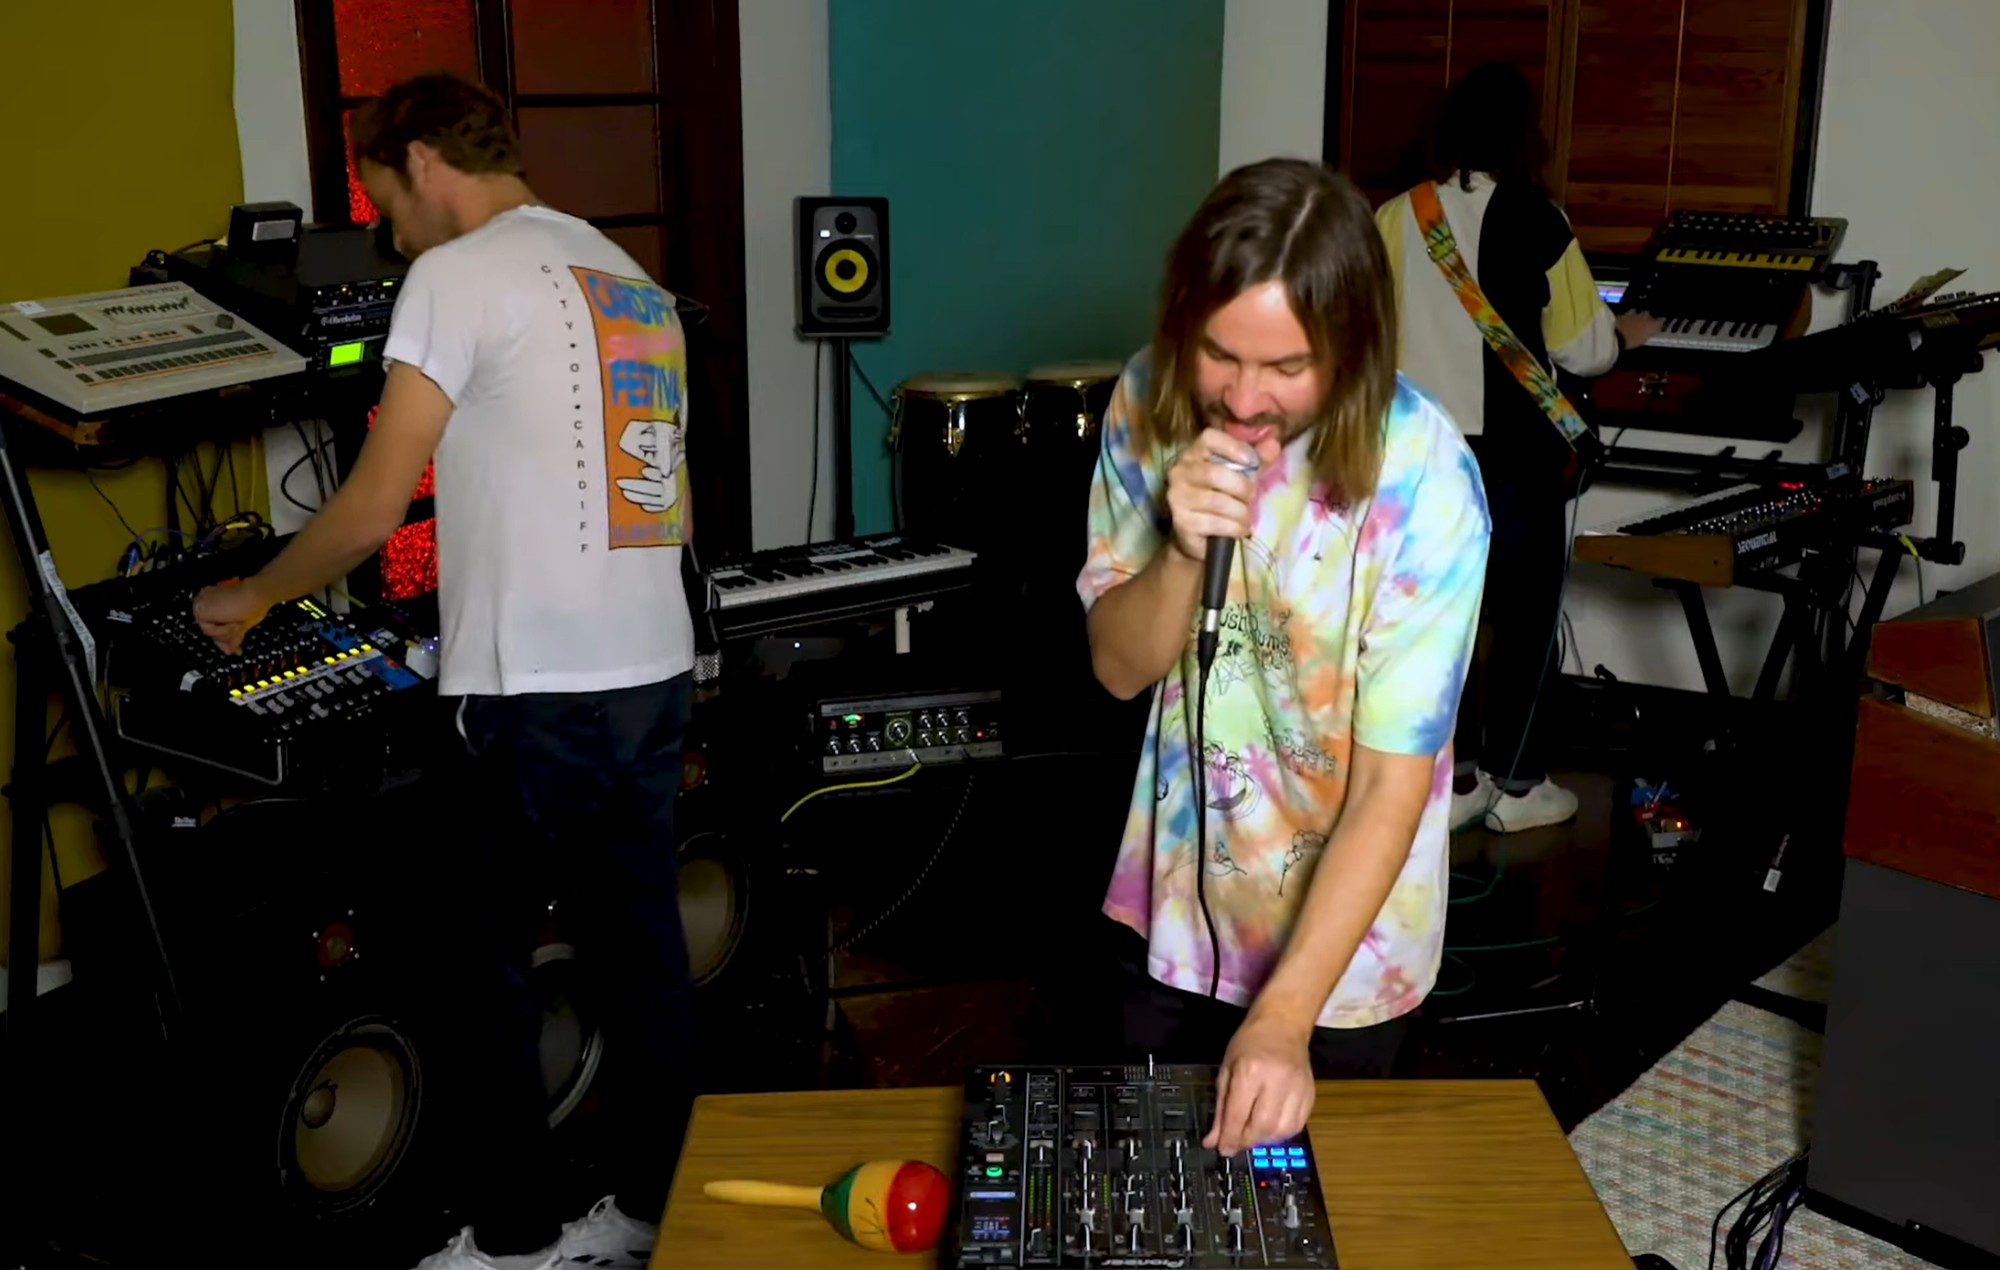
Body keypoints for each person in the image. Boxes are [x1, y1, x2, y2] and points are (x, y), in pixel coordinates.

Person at [193, 71, 694, 1270]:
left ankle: (517, 1237)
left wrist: (251, 595)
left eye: (379, 196)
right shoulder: (631, 279)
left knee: (481, 970)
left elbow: (371, 509)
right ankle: (654, 1213)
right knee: (643, 961)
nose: (382, 226)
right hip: (652, 669)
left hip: (534, 693)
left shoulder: (455, 275)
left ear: (419, 160)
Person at [1079, 158, 1489, 1154]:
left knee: (1303, 1222)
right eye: (1219, 355)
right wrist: (1179, 552)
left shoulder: (1424, 485)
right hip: (1172, 916)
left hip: (1338, 965)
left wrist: (1280, 1017)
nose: (1243, 400)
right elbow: (1116, 668)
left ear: (1349, 347)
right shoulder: (1147, 395)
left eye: (1285, 368)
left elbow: (1391, 791)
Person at [1374, 61, 1657, 833]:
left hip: (1422, 459)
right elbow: (1585, 350)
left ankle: (1454, 782)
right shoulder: (1540, 219)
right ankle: (1523, 788)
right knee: (1526, 613)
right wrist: (1629, 334)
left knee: (1439, 620)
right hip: (1514, 464)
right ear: (1523, 136)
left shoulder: (1394, 217)